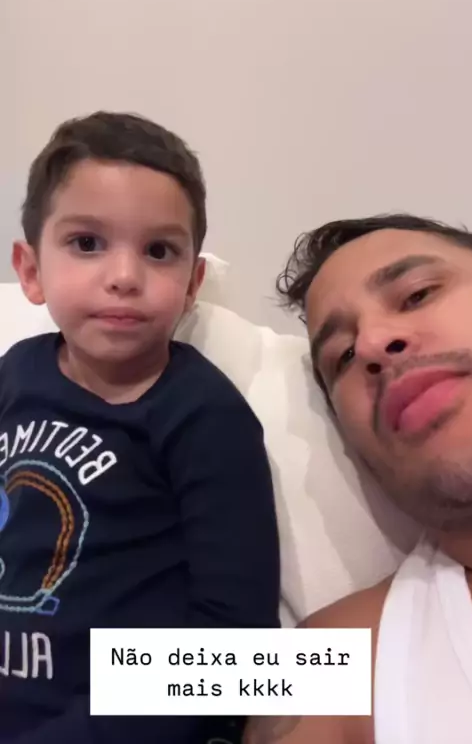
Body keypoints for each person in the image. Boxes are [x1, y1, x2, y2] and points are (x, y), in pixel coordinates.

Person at [0, 111, 280, 743]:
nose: (125, 276)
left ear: (192, 284)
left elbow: (237, 643)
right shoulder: (14, 374)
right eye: (87, 243)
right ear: (31, 271)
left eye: (159, 251)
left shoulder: (205, 416)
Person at [244, 213, 472, 744]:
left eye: (417, 294)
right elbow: (119, 675)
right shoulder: (326, 670)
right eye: (342, 357)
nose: (372, 343)